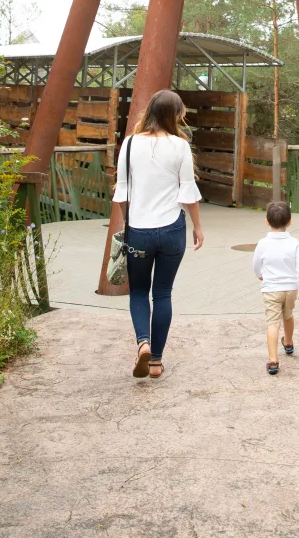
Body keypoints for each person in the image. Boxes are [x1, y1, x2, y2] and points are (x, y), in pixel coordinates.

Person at [112, 88, 204, 379]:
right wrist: (198, 227)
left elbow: (121, 192)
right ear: (176, 115)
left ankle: (143, 344)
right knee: (162, 293)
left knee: (138, 290)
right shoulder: (180, 146)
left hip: (139, 229)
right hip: (172, 229)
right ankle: (156, 362)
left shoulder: (128, 144)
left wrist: (129, 223)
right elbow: (188, 192)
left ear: (149, 111)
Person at [252, 200, 299, 375]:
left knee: (272, 323)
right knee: (288, 315)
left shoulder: (263, 243)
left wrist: (260, 274)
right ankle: (289, 342)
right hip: (290, 289)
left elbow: (256, 264)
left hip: (271, 289)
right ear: (290, 222)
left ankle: (273, 360)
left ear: (267, 222)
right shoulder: (294, 243)